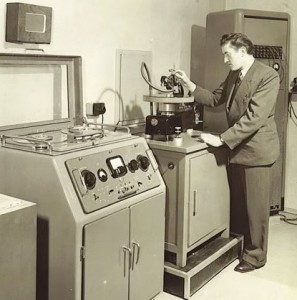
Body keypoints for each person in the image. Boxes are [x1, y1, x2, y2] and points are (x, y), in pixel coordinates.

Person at [175, 33, 280, 273]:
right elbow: (215, 98)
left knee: (256, 209)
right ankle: (242, 247)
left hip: (257, 152)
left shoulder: (268, 76)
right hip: (238, 150)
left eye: (227, 54)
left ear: (242, 51)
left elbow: (254, 119)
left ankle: (256, 257)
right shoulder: (234, 74)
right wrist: (188, 84)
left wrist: (221, 139)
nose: (224, 59)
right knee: (241, 206)